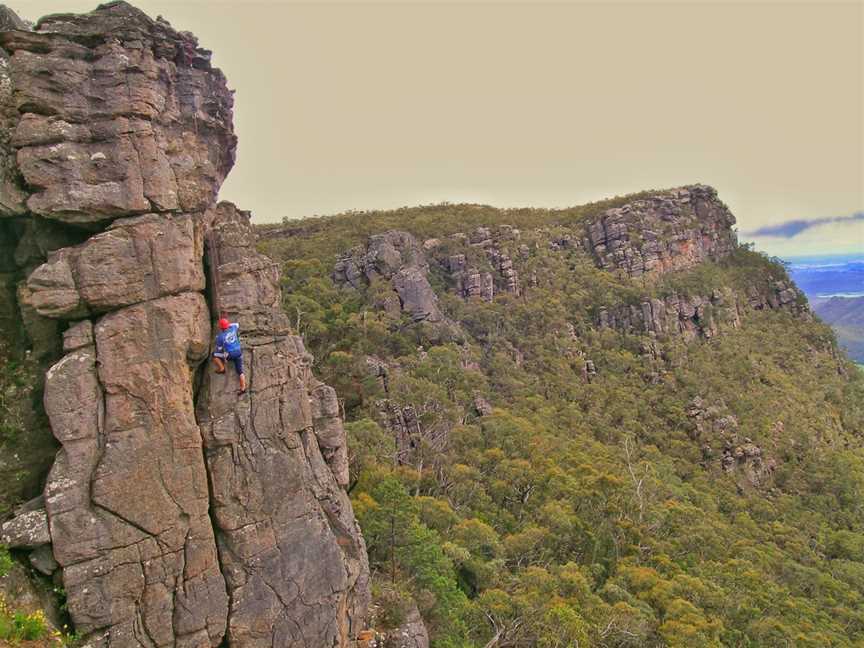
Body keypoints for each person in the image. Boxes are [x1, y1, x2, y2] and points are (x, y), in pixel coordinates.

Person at [213, 318, 246, 394]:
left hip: (230, 355)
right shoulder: (233, 328)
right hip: (238, 352)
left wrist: (218, 340)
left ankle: (222, 369)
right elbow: (237, 324)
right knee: (240, 372)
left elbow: (219, 349)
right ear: (228, 325)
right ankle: (243, 388)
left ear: (221, 327)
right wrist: (228, 325)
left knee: (214, 355)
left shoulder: (220, 337)